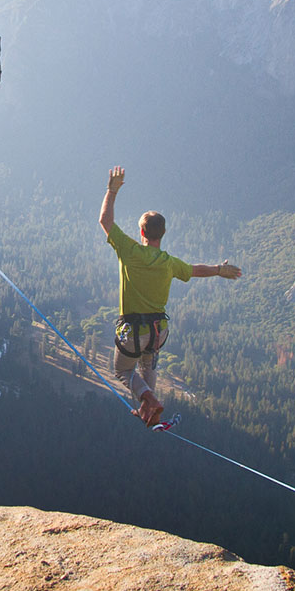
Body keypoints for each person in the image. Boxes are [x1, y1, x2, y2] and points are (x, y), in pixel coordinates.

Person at [98, 165, 241, 426]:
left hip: (134, 330)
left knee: (123, 370)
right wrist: (219, 270)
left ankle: (149, 399)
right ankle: (150, 412)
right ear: (162, 234)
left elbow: (105, 221)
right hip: (158, 331)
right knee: (147, 365)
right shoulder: (169, 262)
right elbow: (195, 270)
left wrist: (112, 190)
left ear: (142, 233)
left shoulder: (129, 252)